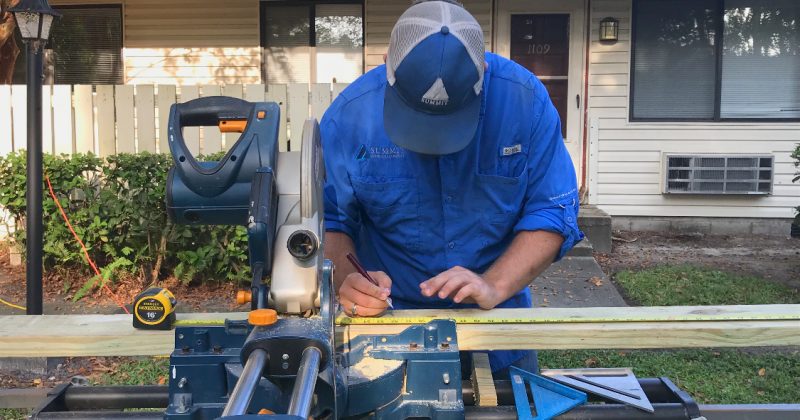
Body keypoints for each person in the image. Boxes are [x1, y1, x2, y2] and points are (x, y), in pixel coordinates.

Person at [320, 0, 583, 373]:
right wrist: (349, 282)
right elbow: (332, 220)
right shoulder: (349, 116)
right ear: (387, 63)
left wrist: (493, 284)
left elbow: (552, 209)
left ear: (483, 72)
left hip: (498, 323)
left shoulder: (524, 102)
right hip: (387, 329)